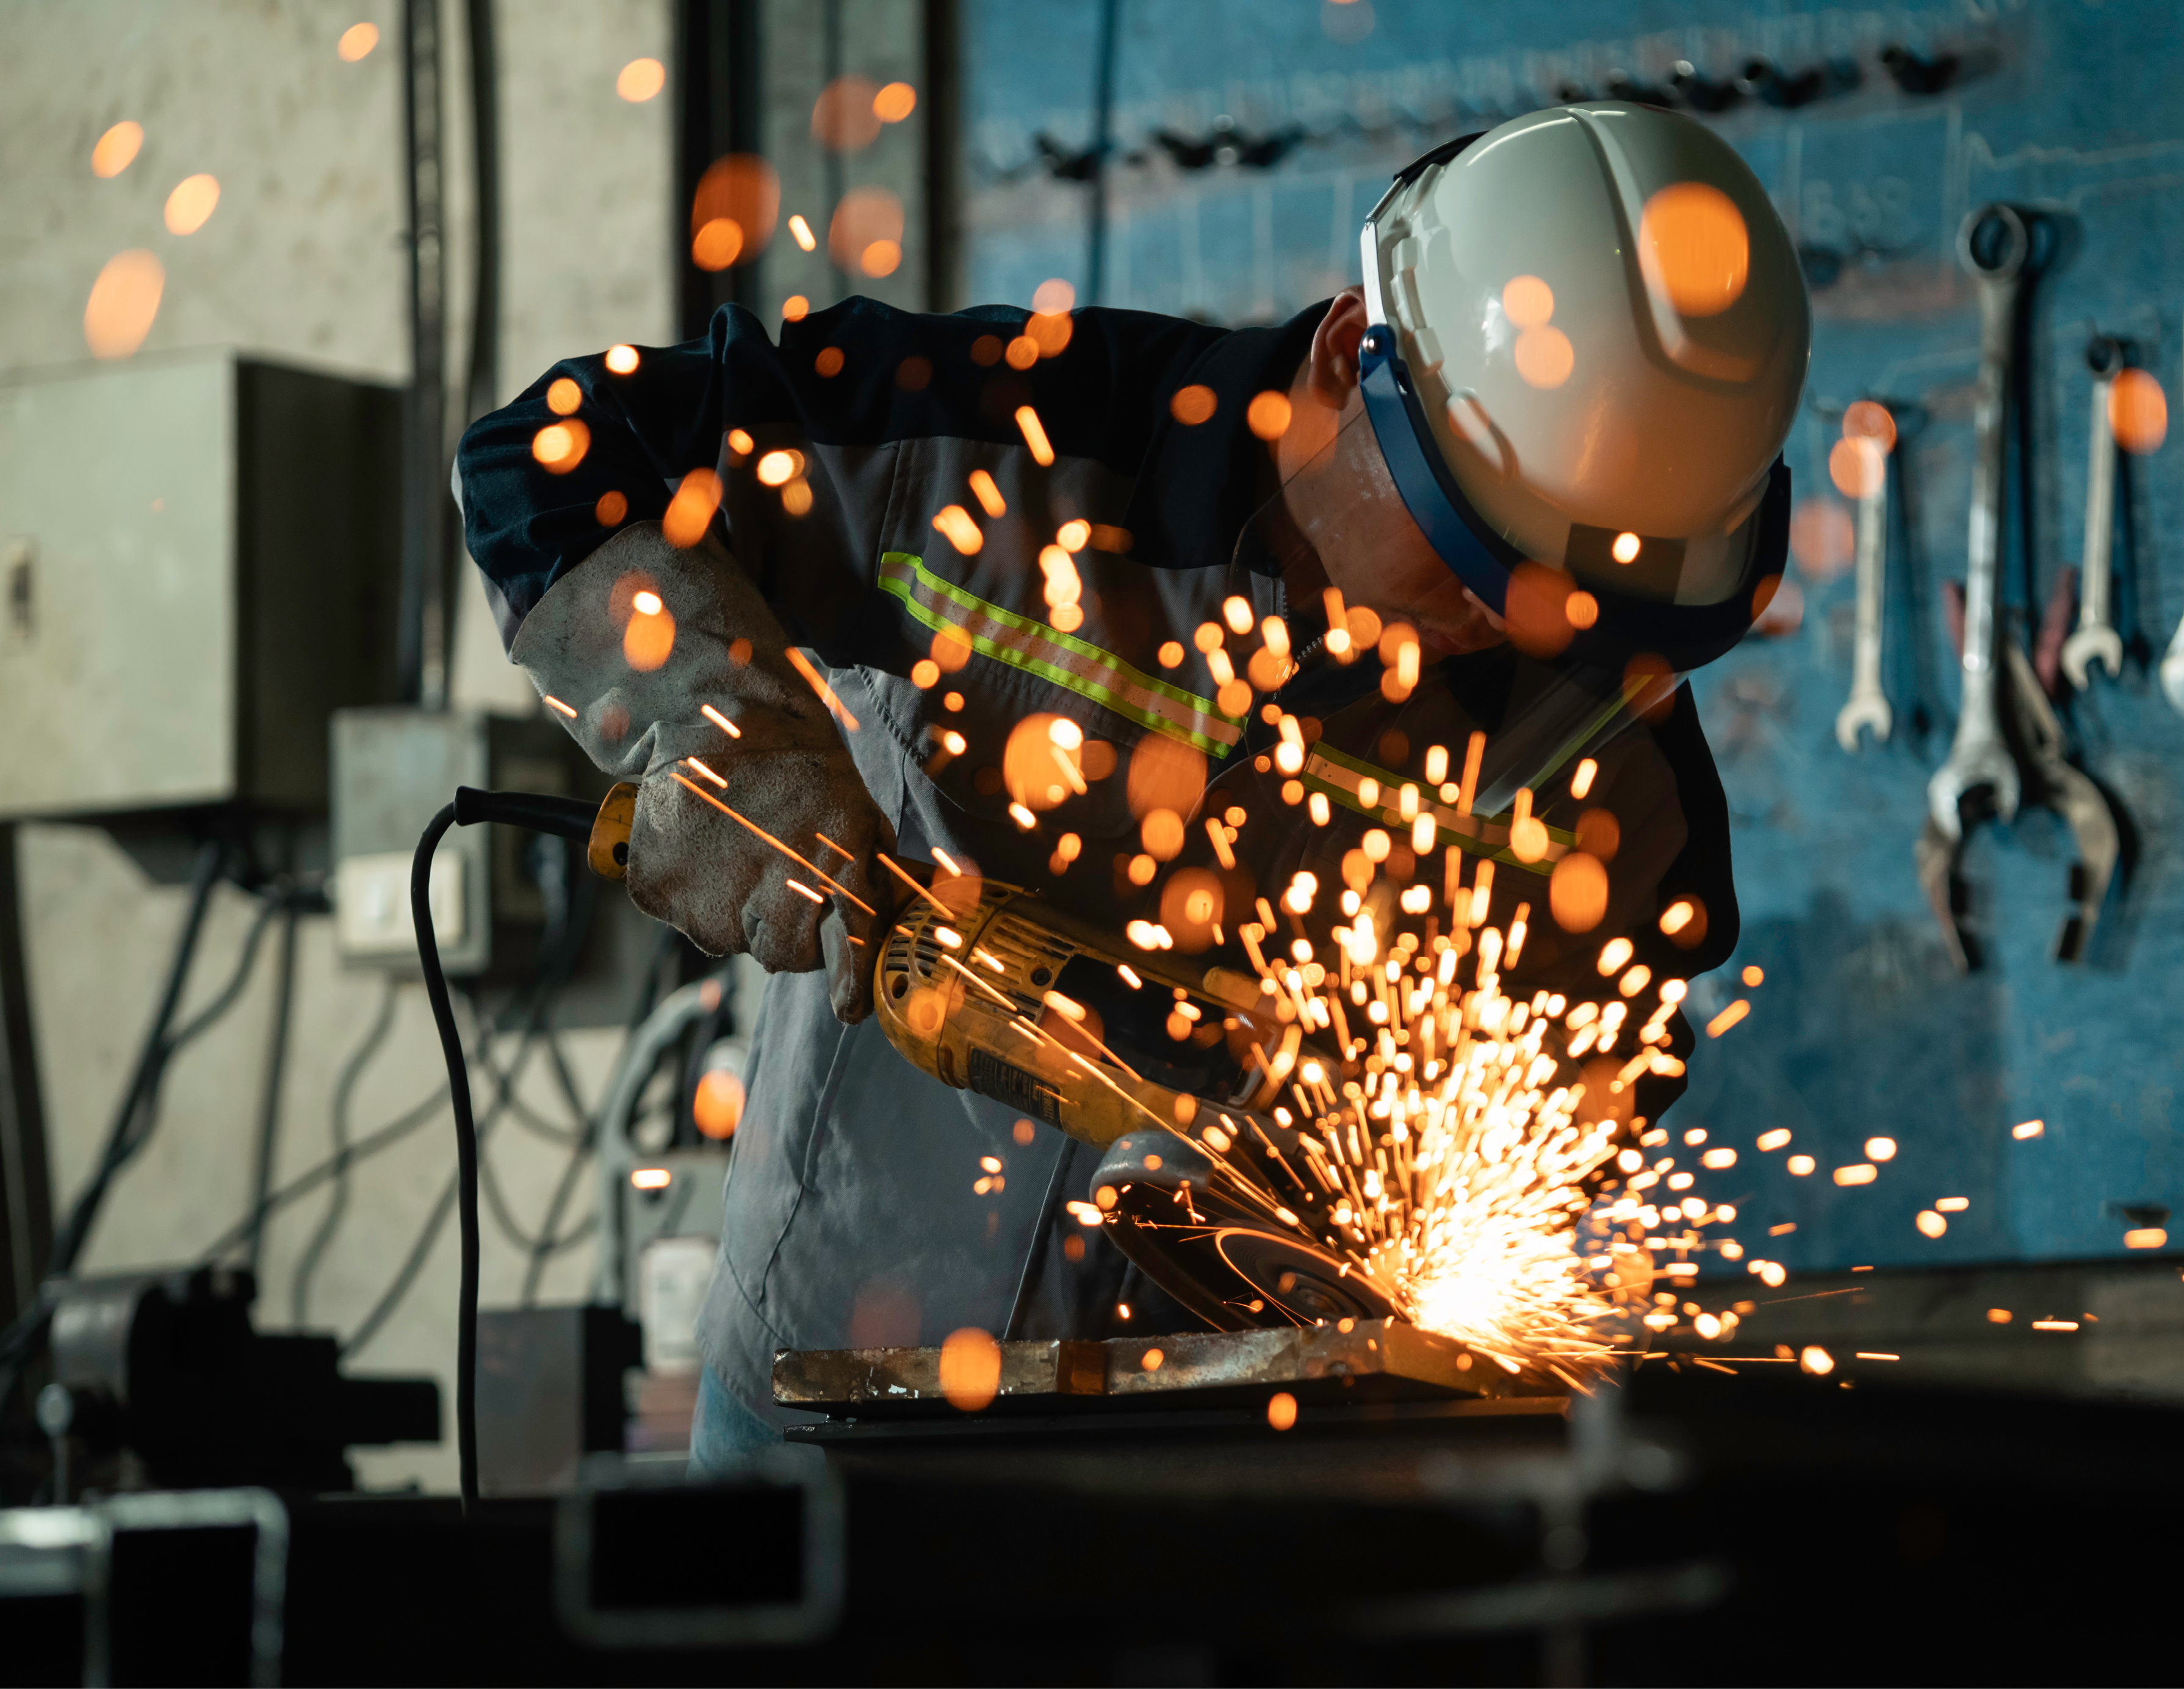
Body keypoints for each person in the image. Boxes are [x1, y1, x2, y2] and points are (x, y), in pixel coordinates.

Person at [455, 100, 1809, 1471]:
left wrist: (1355, 1186)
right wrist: (716, 717)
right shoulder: (1008, 438)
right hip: (824, 1393)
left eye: (1572, 605)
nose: (1508, 624)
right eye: (1473, 552)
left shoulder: (1605, 762)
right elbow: (552, 462)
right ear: (1353, 356)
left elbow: (1592, 1069)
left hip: (1230, 1456)